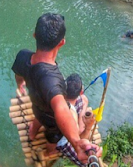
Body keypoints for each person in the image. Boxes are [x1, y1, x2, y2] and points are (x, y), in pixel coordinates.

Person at [11, 13, 101, 165]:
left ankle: (32, 132)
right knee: (53, 137)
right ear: (62, 42)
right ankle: (51, 151)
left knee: (38, 115)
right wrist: (76, 141)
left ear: (34, 36)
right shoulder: (53, 79)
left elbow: (18, 74)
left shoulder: (22, 55)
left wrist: (20, 83)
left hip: (37, 105)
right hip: (52, 121)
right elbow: (61, 108)